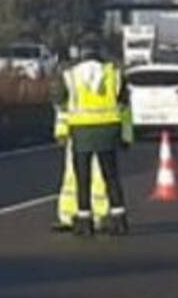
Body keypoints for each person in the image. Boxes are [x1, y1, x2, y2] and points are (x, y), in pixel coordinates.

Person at [56, 36, 132, 236]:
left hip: (81, 134)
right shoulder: (114, 74)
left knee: (83, 179)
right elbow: (124, 107)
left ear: (81, 53)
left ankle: (84, 222)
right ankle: (119, 219)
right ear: (100, 52)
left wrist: (62, 133)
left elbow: (62, 107)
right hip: (108, 132)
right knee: (111, 177)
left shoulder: (70, 75)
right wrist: (126, 136)